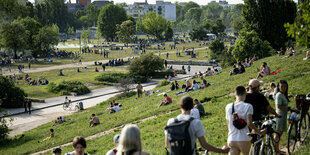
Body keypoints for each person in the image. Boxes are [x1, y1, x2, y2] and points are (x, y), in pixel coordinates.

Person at [165, 96, 229, 154]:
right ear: (193, 107)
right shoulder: (195, 122)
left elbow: (167, 145)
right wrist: (221, 150)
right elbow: (204, 145)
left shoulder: (171, 121)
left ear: (180, 106)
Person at [225, 86, 262, 155]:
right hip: (244, 138)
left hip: (232, 138)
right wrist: (258, 132)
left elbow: (228, 124)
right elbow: (249, 123)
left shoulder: (228, 107)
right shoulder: (248, 106)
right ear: (245, 93)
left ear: (235, 94)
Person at [274, 80, 289, 155]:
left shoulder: (282, 94)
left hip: (282, 116)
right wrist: (288, 109)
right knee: (278, 134)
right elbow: (278, 106)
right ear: (278, 87)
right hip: (280, 116)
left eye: (285, 86)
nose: (284, 88)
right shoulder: (279, 95)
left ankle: (277, 150)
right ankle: (276, 151)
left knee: (279, 134)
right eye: (282, 86)